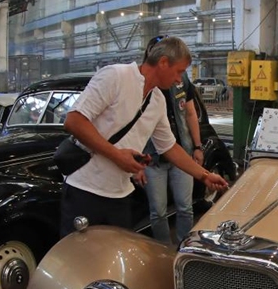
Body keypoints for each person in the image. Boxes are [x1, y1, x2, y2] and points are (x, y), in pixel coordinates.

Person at [60, 36, 227, 237]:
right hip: (85, 190)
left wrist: (205, 176)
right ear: (163, 62)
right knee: (80, 261)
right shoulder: (115, 76)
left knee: (114, 261)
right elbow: (74, 121)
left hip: (120, 195)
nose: (178, 79)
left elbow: (170, 147)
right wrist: (116, 155)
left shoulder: (157, 100)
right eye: (179, 71)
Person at [136, 36, 204, 244]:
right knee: (158, 211)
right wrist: (135, 162)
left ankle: (183, 247)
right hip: (152, 158)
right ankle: (163, 249)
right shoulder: (140, 89)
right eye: (178, 72)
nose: (178, 79)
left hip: (180, 151)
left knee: (185, 207)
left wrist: (197, 146)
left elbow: (190, 114)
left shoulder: (176, 85)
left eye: (181, 73)